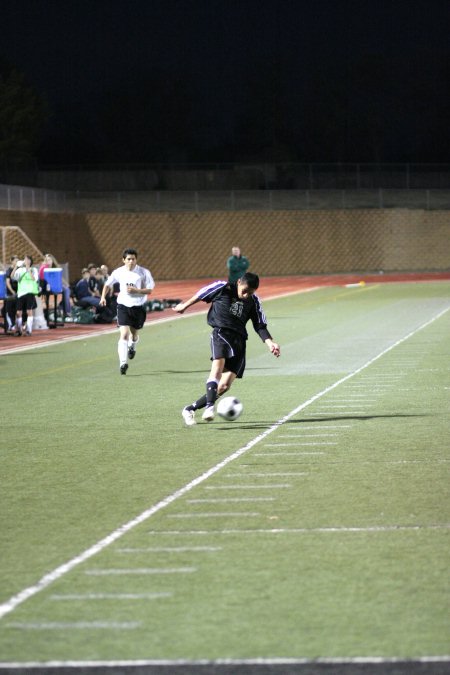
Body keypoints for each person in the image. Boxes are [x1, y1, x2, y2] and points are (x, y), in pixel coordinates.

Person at [172, 272, 280, 426]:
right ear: (239, 283)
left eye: (250, 292)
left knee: (224, 386)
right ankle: (210, 407)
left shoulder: (254, 301)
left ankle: (189, 409)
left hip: (239, 341)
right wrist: (184, 306)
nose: (246, 295)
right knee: (217, 367)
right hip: (221, 332)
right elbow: (202, 294)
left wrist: (270, 343)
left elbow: (259, 325)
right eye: (244, 290)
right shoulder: (223, 287)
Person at [100, 248, 155, 374]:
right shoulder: (118, 272)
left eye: (133, 259)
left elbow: (150, 290)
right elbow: (107, 285)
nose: (131, 261)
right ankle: (123, 363)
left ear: (136, 260)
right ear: (123, 260)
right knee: (124, 334)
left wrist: (137, 291)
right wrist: (103, 297)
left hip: (138, 307)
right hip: (123, 305)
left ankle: (133, 346)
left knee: (133, 334)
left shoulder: (143, 272)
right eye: (128, 259)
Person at [11, 255, 40, 336]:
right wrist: (15, 267)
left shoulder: (34, 270)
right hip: (21, 293)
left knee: (29, 311)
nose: (25, 261)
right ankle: (19, 330)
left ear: (30, 261)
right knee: (18, 312)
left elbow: (34, 279)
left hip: (30, 292)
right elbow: (12, 276)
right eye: (25, 259)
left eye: (27, 259)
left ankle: (29, 330)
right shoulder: (20, 270)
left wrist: (28, 268)